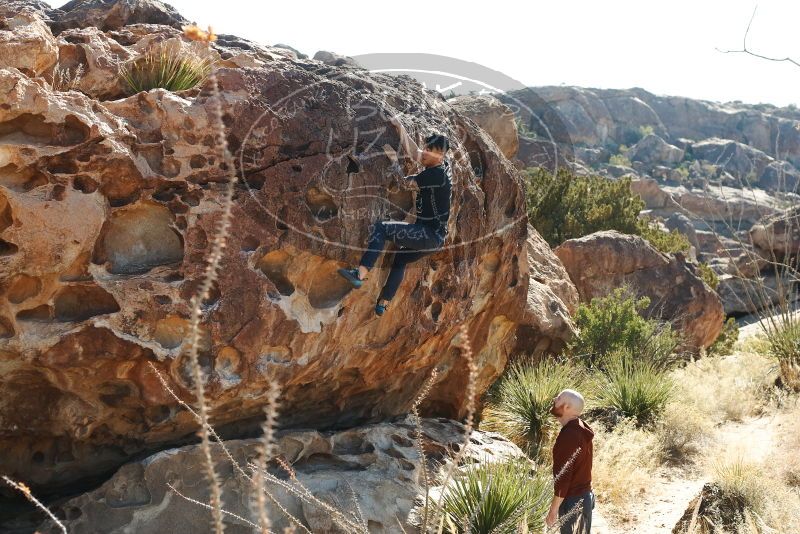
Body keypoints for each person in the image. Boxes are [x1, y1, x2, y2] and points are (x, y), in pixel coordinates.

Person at [338, 115, 452, 316]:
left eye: (429, 150)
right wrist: (399, 127)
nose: (423, 153)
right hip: (435, 238)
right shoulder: (441, 168)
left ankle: (360, 274)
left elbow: (404, 182)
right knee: (399, 259)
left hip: (427, 235)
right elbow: (415, 152)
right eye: (425, 148)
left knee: (382, 228)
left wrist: (393, 160)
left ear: (440, 154)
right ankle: (383, 303)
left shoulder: (435, 175)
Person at [545, 389, 595, 534]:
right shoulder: (580, 427)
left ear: (566, 407)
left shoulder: (570, 435)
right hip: (584, 497)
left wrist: (553, 510)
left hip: (573, 502)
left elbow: (564, 478)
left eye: (559, 398)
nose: (555, 399)